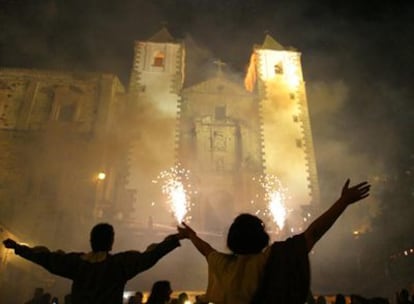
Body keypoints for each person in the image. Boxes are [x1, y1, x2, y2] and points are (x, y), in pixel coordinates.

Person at [178, 179, 371, 304]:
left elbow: (206, 249)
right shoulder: (270, 259)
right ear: (262, 238)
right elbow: (313, 233)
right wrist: (342, 202)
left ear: (231, 239)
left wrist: (190, 235)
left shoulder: (222, 265)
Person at [3, 223, 186, 304]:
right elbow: (151, 255)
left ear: (91, 240)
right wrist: (176, 238)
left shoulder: (76, 264)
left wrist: (18, 248)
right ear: (111, 241)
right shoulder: (119, 265)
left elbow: (45, 257)